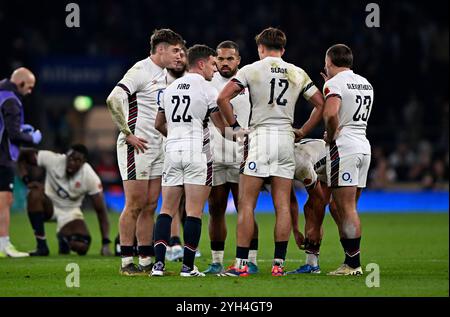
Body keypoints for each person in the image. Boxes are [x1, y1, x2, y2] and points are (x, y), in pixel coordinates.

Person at [217, 27, 324, 276]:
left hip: (260, 137)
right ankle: (278, 265)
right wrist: (303, 131)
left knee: (246, 205)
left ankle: (240, 265)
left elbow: (223, 99)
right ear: (283, 50)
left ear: (260, 48)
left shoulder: (251, 70)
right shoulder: (297, 72)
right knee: (283, 206)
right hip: (285, 139)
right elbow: (320, 104)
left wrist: (234, 127)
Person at [106, 29, 185, 276]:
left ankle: (145, 260)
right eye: (175, 50)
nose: (179, 55)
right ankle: (126, 261)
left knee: (151, 204)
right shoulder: (140, 70)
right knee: (135, 204)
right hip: (136, 146)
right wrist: (126, 132)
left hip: (158, 147)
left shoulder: (170, 76)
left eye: (181, 51)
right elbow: (113, 98)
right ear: (160, 49)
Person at [152, 44, 229, 277]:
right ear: (202, 63)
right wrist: (242, 134)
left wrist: (176, 136)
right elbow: (222, 128)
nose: (215, 70)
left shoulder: (169, 88)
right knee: (194, 211)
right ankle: (187, 267)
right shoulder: (207, 90)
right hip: (197, 152)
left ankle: (158, 266)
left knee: (166, 209)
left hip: (172, 151)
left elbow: (158, 124)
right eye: (213, 64)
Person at [203, 41, 259, 275]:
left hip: (243, 157)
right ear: (214, 60)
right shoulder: (208, 83)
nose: (225, 63)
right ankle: (216, 261)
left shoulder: (250, 81)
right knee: (215, 209)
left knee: (244, 209)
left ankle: (250, 261)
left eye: (230, 59)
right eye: (221, 59)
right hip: (215, 157)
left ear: (238, 61)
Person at [322, 44, 373, 276]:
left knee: (347, 207)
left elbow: (331, 114)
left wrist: (330, 135)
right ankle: (349, 260)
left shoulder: (333, 84)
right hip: (363, 145)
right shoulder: (365, 83)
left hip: (344, 147)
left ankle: (353, 264)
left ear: (330, 62)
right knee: (338, 206)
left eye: (326, 62)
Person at [17, 145, 111, 256]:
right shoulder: (54, 159)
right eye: (70, 158)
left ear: (84, 162)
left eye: (77, 160)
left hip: (71, 212)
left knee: (82, 246)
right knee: (34, 194)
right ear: (66, 156)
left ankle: (64, 238)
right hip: (48, 205)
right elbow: (22, 155)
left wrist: (105, 243)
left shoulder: (90, 176)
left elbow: (101, 210)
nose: (72, 162)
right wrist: (26, 180)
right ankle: (41, 246)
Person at [0, 67, 42, 258]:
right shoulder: (12, 101)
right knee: (4, 201)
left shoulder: (2, 92)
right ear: (21, 83)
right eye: (30, 87)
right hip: (3, 157)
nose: (30, 91)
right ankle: (3, 245)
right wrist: (31, 137)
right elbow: (14, 135)